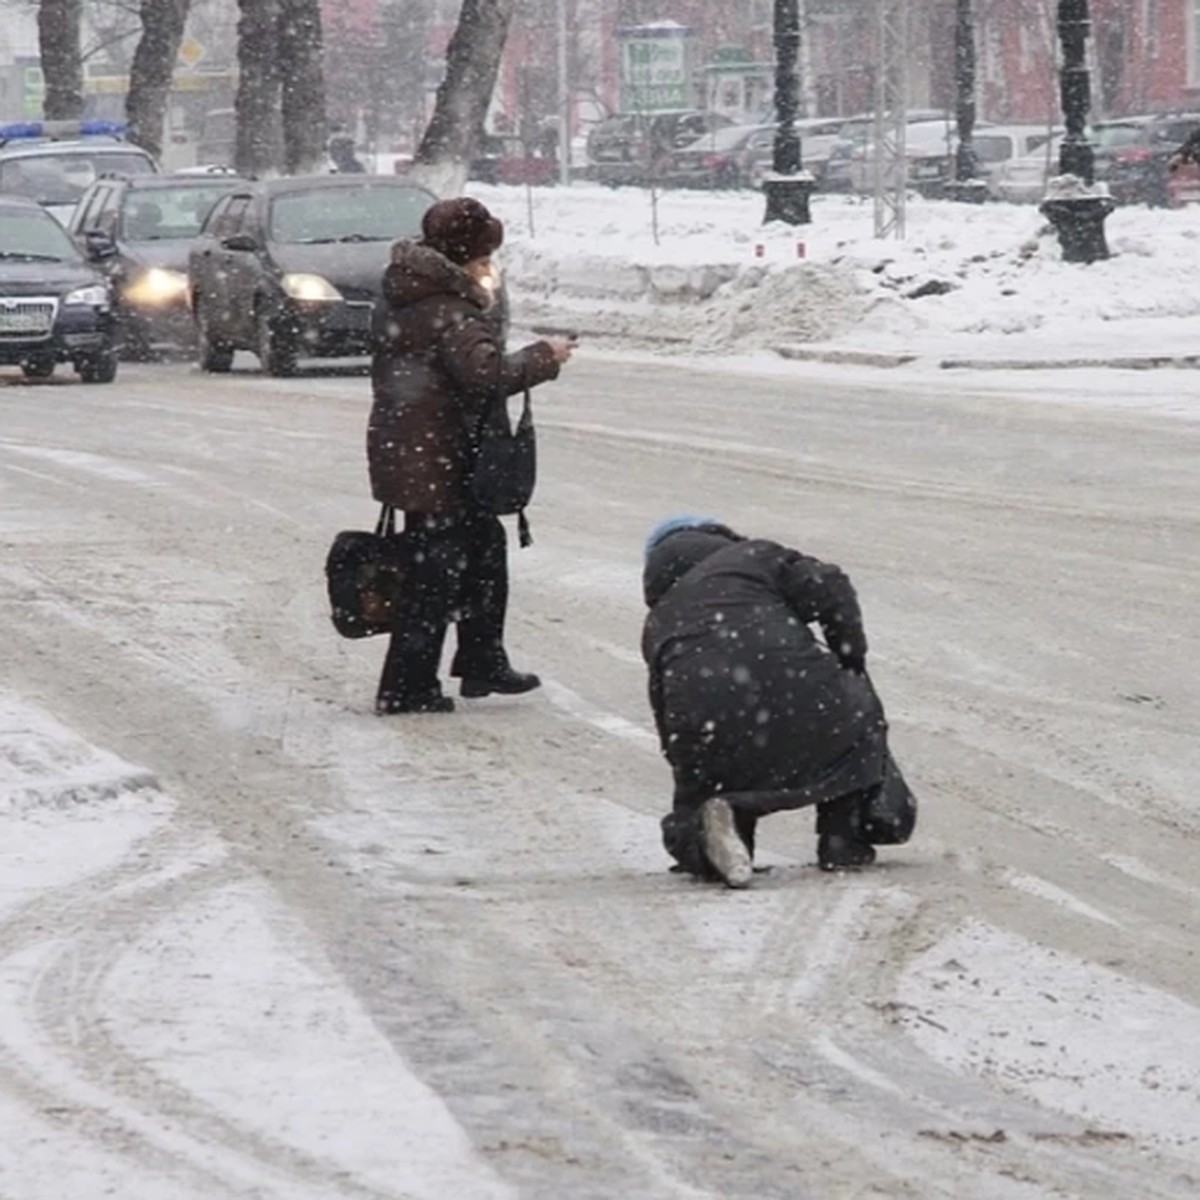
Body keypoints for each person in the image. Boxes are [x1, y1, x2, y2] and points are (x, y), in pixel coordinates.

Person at [367, 197, 574, 714]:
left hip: (415, 452)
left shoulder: (407, 295)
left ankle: (481, 660)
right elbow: (487, 375)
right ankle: (407, 687)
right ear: (463, 258)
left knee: (480, 549)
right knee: (434, 573)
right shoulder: (449, 311)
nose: (488, 270)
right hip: (438, 460)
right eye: (483, 259)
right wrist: (544, 356)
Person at [640, 515, 917, 887]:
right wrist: (848, 653)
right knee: (852, 725)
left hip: (710, 731)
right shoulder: (753, 557)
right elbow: (830, 584)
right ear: (718, 537)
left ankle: (715, 836)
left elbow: (668, 717)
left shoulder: (660, 620)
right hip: (803, 699)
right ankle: (843, 839)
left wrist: (693, 793)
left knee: (713, 791)